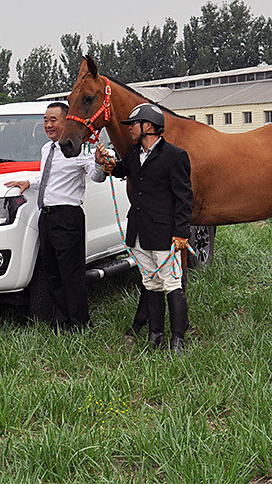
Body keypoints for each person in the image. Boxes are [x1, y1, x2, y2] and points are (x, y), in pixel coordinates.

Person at [5, 102, 110, 332]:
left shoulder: (79, 149)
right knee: (52, 272)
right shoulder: (47, 149)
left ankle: (80, 324)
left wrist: (100, 164)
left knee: (71, 274)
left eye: (53, 120)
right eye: (45, 120)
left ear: (66, 121)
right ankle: (60, 322)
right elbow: (48, 177)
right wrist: (29, 182)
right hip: (47, 216)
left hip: (68, 217)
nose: (48, 125)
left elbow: (96, 176)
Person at [102, 103, 193, 356]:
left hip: (165, 233)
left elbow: (184, 197)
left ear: (148, 127)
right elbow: (121, 170)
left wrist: (182, 232)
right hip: (139, 231)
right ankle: (156, 335)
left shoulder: (175, 155)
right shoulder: (133, 153)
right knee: (150, 283)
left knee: (172, 284)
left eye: (133, 125)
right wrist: (107, 163)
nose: (130, 129)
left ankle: (178, 340)